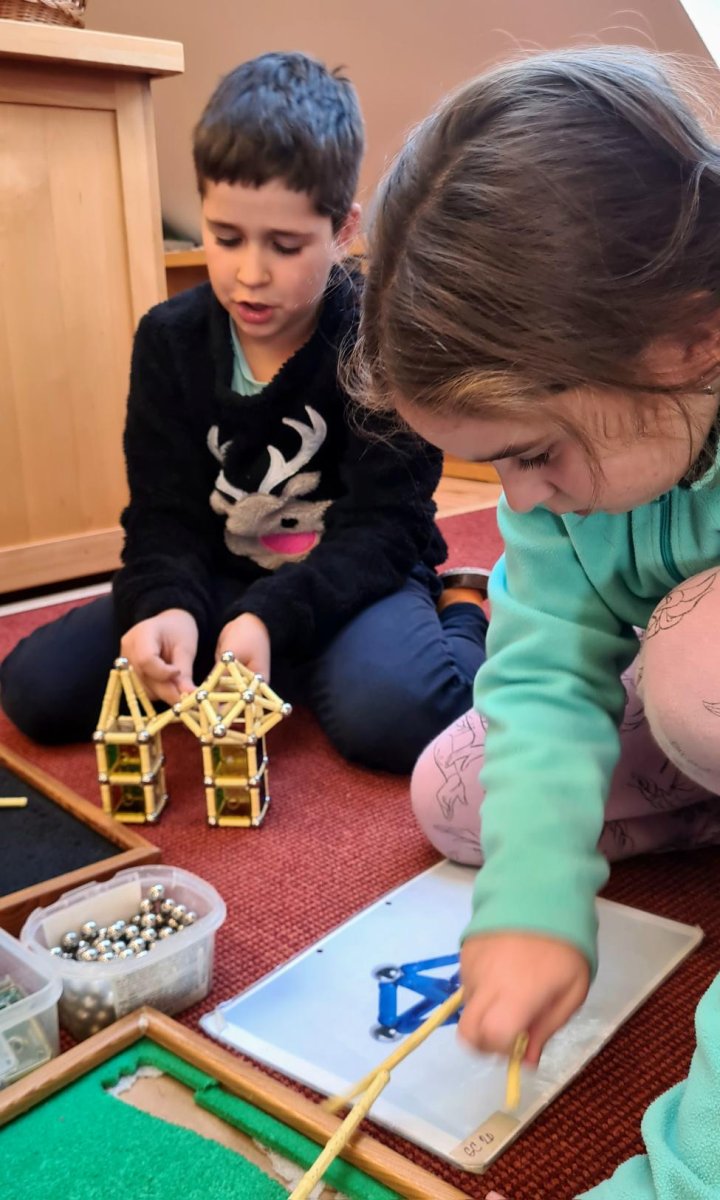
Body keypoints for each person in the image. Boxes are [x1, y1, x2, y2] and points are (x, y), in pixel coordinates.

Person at [350, 45, 720, 1197]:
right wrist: (531, 907)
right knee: (457, 796)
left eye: (536, 453)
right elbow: (544, 669)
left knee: (705, 676)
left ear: (692, 339)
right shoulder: (569, 481)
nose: (519, 502)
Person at [0, 51, 488, 773]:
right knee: (35, 689)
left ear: (343, 231)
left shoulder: (377, 340)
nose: (249, 274)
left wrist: (271, 617)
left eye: (285, 246)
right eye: (225, 238)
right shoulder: (169, 340)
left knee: (400, 715)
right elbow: (162, 517)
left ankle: (460, 609)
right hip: (219, 577)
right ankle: (280, 658)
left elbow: (388, 529)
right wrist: (165, 606)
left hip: (352, 579)